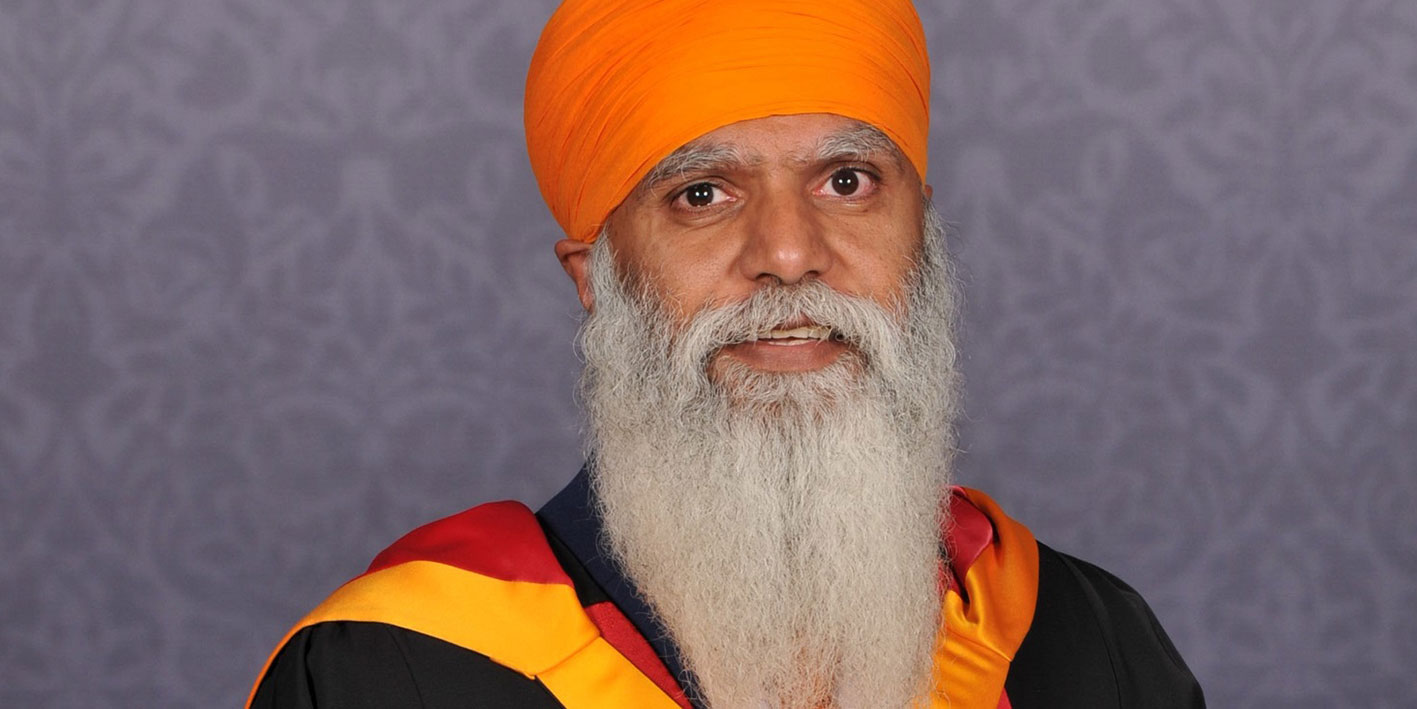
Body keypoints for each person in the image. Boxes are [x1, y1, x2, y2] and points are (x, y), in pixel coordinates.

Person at [247, 0, 1205, 707]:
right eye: (701, 194)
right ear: (595, 275)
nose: (789, 256)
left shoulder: (1078, 639)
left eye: (846, 179)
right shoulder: (400, 672)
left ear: (924, 236)